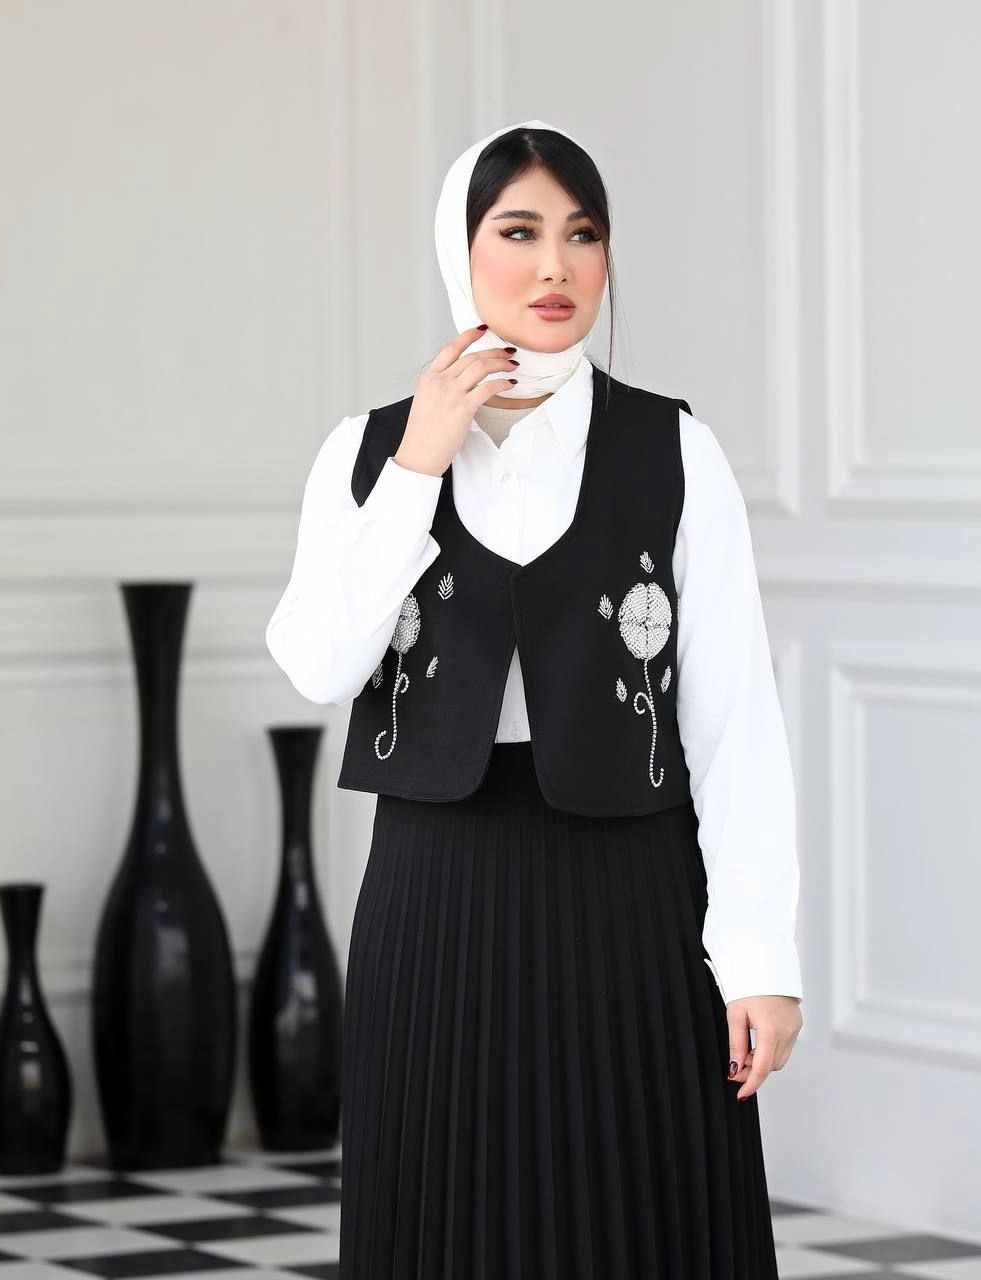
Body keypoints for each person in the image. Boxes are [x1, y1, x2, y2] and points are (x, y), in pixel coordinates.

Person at [266, 118, 804, 1279]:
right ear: (459, 251)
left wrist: (759, 953)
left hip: (635, 895)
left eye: (583, 233)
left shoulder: (674, 449)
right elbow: (318, 662)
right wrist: (419, 460)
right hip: (436, 894)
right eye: (518, 231)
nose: (556, 266)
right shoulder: (365, 453)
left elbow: (734, 721)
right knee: (448, 1219)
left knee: (642, 1215)